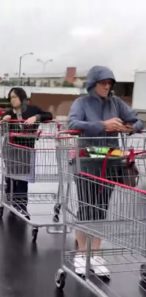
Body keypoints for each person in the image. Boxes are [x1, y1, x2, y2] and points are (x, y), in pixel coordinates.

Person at [68, 65, 144, 278]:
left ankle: (97, 254)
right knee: (86, 205)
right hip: (87, 159)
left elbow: (137, 120)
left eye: (110, 83)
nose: (107, 86)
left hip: (111, 161)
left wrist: (129, 128)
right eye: (103, 82)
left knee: (102, 207)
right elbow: (72, 122)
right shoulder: (81, 102)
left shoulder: (116, 102)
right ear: (93, 83)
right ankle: (82, 254)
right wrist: (103, 125)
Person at [0, 87, 53, 217]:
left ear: (22, 98)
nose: (12, 100)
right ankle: (10, 199)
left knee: (23, 177)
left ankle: (21, 205)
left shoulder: (32, 109)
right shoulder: (8, 113)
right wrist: (2, 122)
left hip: (27, 148)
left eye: (15, 97)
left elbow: (49, 115)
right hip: (10, 148)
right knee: (11, 175)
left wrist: (36, 117)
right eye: (10, 97)